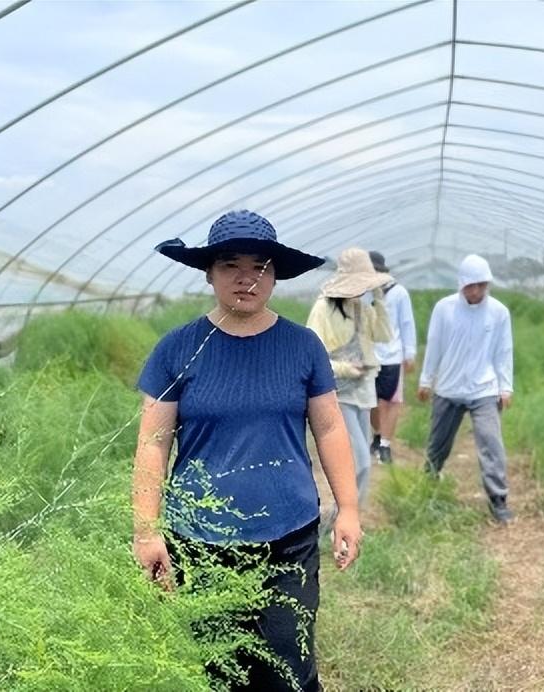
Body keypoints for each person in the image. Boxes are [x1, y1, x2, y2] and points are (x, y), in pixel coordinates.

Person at [131, 210, 362, 692]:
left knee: (288, 668)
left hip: (288, 536)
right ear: (209, 273)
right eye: (230, 264)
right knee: (217, 670)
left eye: (260, 266)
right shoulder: (178, 349)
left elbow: (331, 428)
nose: (246, 278)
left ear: (275, 274)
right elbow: (153, 446)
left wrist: (349, 509)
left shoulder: (302, 346)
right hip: (201, 542)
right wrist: (147, 531)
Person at [417, 253, 515, 524]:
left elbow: (503, 351)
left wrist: (505, 387)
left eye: (481, 285)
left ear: (488, 285)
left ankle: (499, 500)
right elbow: (434, 345)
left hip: (484, 390)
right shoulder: (444, 309)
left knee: (490, 443)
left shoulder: (498, 313)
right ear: (461, 285)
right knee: (438, 445)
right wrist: (426, 380)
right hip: (448, 389)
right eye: (471, 285)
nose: (476, 291)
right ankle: (428, 487)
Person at [306, 247, 392, 509]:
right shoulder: (323, 308)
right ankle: (342, 516)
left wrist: (378, 298)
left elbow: (384, 335)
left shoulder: (361, 308)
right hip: (336, 392)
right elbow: (313, 356)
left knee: (360, 459)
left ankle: (350, 517)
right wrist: (344, 368)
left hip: (361, 391)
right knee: (360, 462)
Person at [367, 250, 417, 465]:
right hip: (368, 357)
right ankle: (377, 434)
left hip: (392, 356)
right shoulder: (363, 294)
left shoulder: (398, 293)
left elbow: (406, 323)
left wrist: (410, 353)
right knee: (371, 402)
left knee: (391, 401)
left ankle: (386, 444)